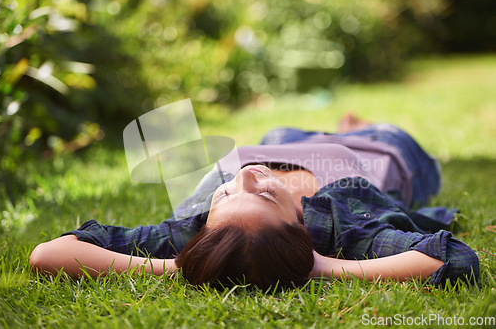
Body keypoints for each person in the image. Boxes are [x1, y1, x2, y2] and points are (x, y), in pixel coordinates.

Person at [29, 114, 480, 290]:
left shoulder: (198, 233)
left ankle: (337, 123)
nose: (243, 178)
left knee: (282, 133)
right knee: (380, 129)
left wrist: (183, 262)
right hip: (380, 153)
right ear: (300, 230)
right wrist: (321, 266)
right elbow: (454, 259)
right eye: (264, 194)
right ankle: (351, 124)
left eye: (222, 195)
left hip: (278, 141)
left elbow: (47, 254)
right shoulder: (347, 227)